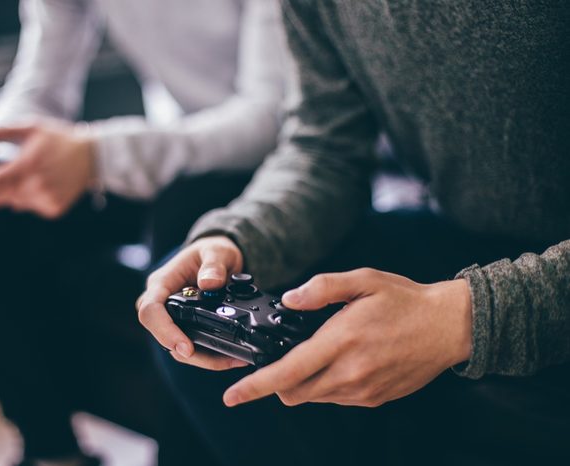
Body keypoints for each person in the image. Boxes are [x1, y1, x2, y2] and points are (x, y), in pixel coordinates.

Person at [138, 1, 570, 465]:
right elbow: (326, 146)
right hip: (470, 232)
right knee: (187, 312)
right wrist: (236, 238)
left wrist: (470, 314)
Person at [0, 1, 286, 465]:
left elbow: (269, 117)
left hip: (264, 163)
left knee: (186, 213)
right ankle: (51, 451)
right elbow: (41, 85)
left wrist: (97, 155)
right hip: (166, 152)